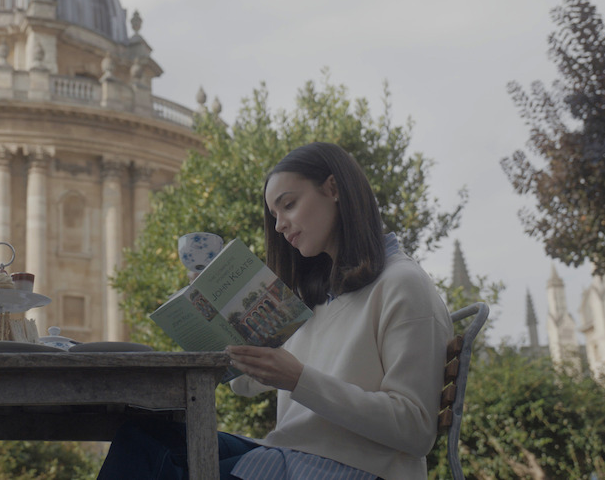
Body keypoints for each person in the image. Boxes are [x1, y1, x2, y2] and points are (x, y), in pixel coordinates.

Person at [96, 142, 453, 479]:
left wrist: (298, 379)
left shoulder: (402, 284)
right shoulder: (319, 293)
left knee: (155, 468)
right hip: (292, 455)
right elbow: (247, 386)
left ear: (333, 188)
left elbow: (416, 429)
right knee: (140, 437)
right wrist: (218, 317)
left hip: (350, 469)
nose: (280, 224)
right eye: (275, 214)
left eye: (289, 204)